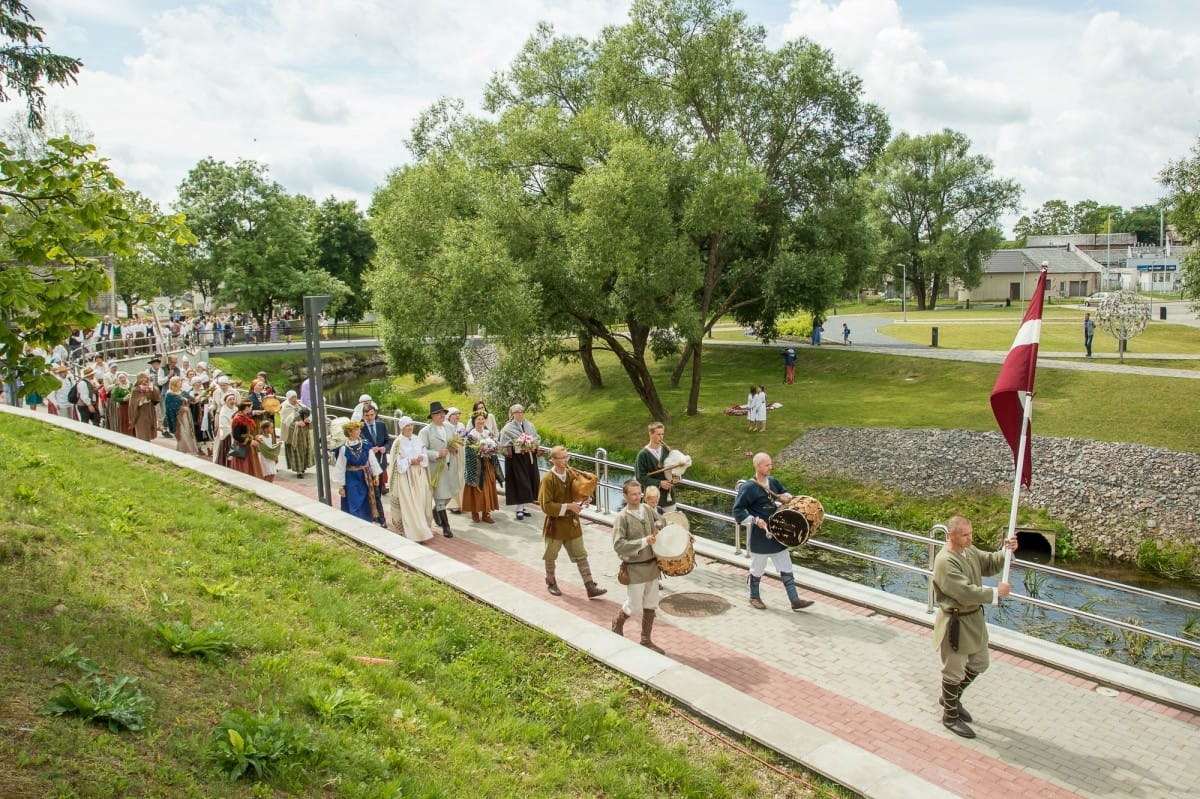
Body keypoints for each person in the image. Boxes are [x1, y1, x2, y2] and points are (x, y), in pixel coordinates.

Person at [932, 515, 1016, 739]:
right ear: (951, 536)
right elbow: (964, 592)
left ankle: (951, 697)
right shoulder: (945, 561)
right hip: (956, 623)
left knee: (980, 663)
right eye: (965, 535)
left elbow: (988, 562)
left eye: (971, 534)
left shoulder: (968, 550)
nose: (970, 538)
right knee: (954, 670)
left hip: (974, 620)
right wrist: (996, 592)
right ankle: (950, 715)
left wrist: (1006, 551)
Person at [732, 452, 815, 612]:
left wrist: (786, 497)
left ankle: (795, 600)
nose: (770, 467)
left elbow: (786, 492)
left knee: (786, 567)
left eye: (770, 464)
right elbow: (737, 511)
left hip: (778, 534)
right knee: (757, 569)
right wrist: (755, 520)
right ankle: (754, 597)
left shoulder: (772, 482)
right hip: (760, 536)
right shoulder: (748, 488)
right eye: (767, 465)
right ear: (757, 467)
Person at [611, 479, 672, 653]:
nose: (637, 497)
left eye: (639, 493)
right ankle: (618, 621)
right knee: (634, 604)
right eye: (633, 494)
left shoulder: (646, 509)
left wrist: (681, 533)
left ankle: (646, 639)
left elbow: (662, 523)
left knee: (652, 603)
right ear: (625, 495)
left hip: (652, 566)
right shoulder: (622, 518)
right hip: (635, 567)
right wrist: (645, 541)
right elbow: (618, 545)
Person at [538, 446, 606, 599]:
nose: (565, 460)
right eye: (562, 458)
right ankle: (551, 581)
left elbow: (576, 492)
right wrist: (568, 506)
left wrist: (585, 498)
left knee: (581, 554)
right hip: (555, 525)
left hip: (572, 523)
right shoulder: (548, 479)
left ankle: (590, 586)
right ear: (553, 460)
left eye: (566, 457)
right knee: (551, 554)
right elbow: (545, 505)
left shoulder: (570, 474)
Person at [387, 416, 437, 542]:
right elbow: (396, 463)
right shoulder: (398, 443)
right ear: (402, 428)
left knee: (421, 501)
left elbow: (424, 453)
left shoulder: (417, 439)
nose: (409, 428)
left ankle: (423, 528)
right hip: (406, 476)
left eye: (411, 425)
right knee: (410, 504)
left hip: (419, 474)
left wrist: (421, 458)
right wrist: (410, 461)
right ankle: (414, 531)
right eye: (407, 426)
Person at [419, 401, 464, 537]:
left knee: (451, 492)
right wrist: (437, 454)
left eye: (443, 413)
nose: (441, 415)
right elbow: (422, 451)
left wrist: (454, 448)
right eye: (438, 414)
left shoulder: (449, 428)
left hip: (450, 466)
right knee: (439, 497)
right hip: (436, 468)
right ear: (432, 416)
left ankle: (436, 510)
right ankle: (446, 526)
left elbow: (455, 441)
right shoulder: (425, 431)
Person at [332, 420, 382, 524]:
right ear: (350, 432)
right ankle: (354, 523)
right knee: (354, 501)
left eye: (359, 428)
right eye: (356, 429)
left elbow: (372, 461)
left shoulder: (365, 445)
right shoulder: (344, 449)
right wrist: (341, 486)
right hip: (351, 478)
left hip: (364, 478)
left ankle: (366, 523)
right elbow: (340, 467)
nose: (359, 431)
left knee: (365, 501)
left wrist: (376, 476)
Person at [499, 404, 541, 520]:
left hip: (529, 459)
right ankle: (519, 508)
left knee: (529, 482)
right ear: (512, 414)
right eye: (517, 412)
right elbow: (503, 445)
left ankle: (523, 507)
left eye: (521, 411)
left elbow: (537, 437)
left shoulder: (529, 425)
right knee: (521, 483)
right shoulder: (507, 428)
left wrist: (533, 445)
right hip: (516, 461)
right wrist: (518, 446)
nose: (520, 414)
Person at [461, 410, 501, 523]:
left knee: (487, 488)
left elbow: (494, 448)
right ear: (474, 421)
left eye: (482, 419)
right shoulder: (471, 435)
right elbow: (468, 452)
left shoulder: (488, 433)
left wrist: (491, 450)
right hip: (475, 467)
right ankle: (475, 512)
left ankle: (486, 513)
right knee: (476, 489)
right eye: (478, 419)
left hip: (487, 465)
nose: (481, 421)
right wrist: (480, 451)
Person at [634, 421, 680, 512]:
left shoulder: (667, 450)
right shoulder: (643, 455)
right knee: (653, 525)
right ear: (650, 434)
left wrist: (677, 477)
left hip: (669, 499)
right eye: (658, 434)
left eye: (662, 434)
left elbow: (677, 468)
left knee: (670, 524)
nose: (661, 437)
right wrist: (659, 483)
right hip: (652, 500)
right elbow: (640, 477)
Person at [361, 404, 391, 520]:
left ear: (375, 414)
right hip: (368, 465)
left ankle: (378, 515)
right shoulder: (361, 428)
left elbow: (388, 441)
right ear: (363, 416)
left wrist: (385, 448)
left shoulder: (381, 425)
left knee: (378, 491)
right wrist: (369, 450)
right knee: (372, 491)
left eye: (371, 415)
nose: (369, 417)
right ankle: (377, 515)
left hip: (380, 462)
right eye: (367, 415)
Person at [229, 399, 264, 479]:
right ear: (246, 408)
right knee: (243, 465)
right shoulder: (238, 418)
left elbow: (249, 431)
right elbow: (236, 435)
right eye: (250, 407)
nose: (251, 408)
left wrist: (256, 438)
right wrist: (250, 441)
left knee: (252, 464)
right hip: (242, 446)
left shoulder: (246, 416)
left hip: (249, 446)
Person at [127, 372, 160, 440]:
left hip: (149, 408)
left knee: (149, 425)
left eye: (146, 377)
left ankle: (148, 439)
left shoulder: (149, 387)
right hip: (140, 411)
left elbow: (156, 396)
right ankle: (142, 440)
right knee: (142, 426)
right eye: (143, 377)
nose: (145, 379)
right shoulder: (135, 389)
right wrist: (141, 400)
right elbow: (133, 403)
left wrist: (152, 387)